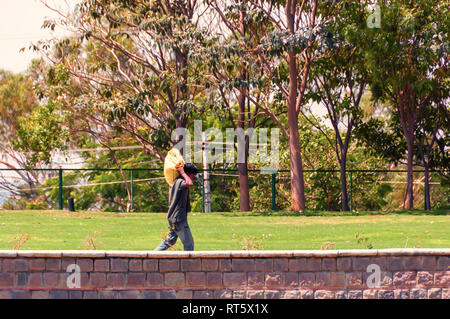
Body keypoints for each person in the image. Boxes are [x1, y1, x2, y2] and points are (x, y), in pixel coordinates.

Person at [155, 163, 199, 251]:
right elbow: (189, 184)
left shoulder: (176, 181)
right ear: (188, 173)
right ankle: (188, 264)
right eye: (193, 175)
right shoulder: (180, 182)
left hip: (174, 217)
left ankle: (152, 256)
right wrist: (183, 173)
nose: (193, 177)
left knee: (170, 240)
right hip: (178, 218)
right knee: (189, 243)